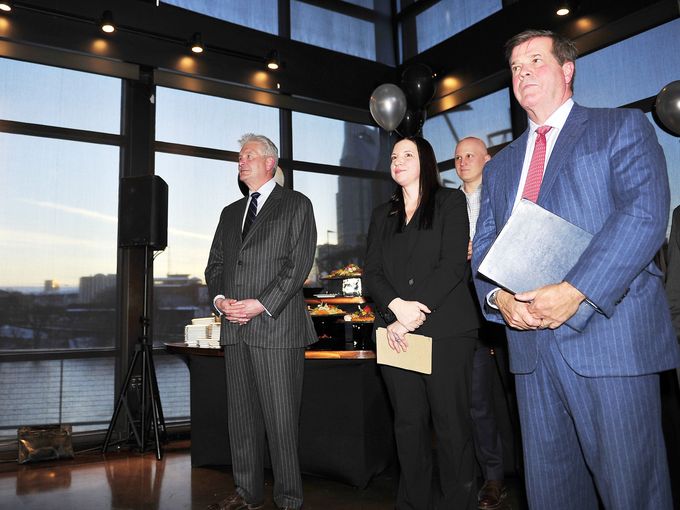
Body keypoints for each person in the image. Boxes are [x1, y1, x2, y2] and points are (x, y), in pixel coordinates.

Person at [471, 29, 680, 509]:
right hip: (531, 355)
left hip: (610, 344)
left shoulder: (621, 127)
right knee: (552, 497)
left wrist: (577, 291)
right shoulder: (500, 169)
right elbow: (484, 249)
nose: (523, 74)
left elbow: (645, 213)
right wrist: (498, 299)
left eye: (536, 62)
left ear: (567, 71)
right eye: (516, 68)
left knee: (633, 495)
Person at [365, 136, 480, 510]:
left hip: (446, 331)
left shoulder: (449, 201)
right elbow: (373, 273)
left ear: (425, 161)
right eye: (394, 156)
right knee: (409, 427)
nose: (397, 160)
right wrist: (398, 309)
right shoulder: (383, 214)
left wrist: (414, 311)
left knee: (451, 428)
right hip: (396, 332)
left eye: (407, 154)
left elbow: (452, 266)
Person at [205, 133, 317, 510]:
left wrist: (260, 303)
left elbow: (297, 265)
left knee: (282, 423)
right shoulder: (228, 213)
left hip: (277, 328)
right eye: (239, 157)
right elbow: (216, 265)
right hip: (235, 329)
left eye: (248, 155)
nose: (241, 161)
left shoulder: (297, 205)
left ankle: (288, 499)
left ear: (270, 162)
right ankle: (246, 492)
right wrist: (221, 301)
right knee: (242, 421)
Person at [454, 137, 507, 510]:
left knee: (516, 399)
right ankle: (491, 476)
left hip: (509, 312)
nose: (462, 161)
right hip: (464, 315)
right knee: (474, 404)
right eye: (457, 157)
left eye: (470, 154)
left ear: (488, 160)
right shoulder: (445, 205)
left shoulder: (504, 197)